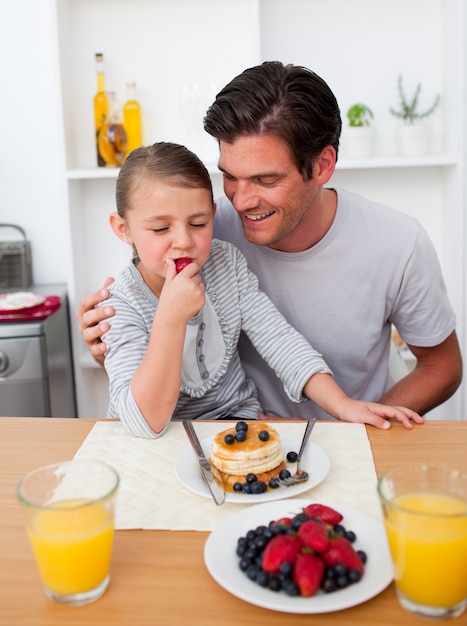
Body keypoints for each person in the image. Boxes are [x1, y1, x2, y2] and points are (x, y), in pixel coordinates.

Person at [77, 62, 462, 423]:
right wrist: (106, 348)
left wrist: (346, 427)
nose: (241, 202)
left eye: (265, 180)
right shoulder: (203, 232)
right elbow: (139, 388)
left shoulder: (398, 242)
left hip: (309, 434)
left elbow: (442, 367)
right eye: (230, 176)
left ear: (323, 166)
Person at [99, 141, 420, 437]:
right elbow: (146, 423)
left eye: (198, 224)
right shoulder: (120, 304)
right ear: (123, 229)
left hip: (236, 422)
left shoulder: (226, 264)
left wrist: (341, 404)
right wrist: (170, 318)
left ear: (213, 213)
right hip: (156, 441)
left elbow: (279, 340)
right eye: (160, 228)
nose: (183, 241)